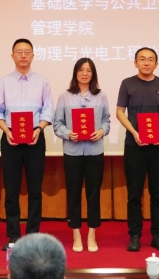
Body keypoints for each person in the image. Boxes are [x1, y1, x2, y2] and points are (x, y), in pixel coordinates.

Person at [0, 39, 54, 251]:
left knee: (35, 190)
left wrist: (39, 129)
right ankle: (14, 236)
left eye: (27, 51)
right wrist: (7, 131)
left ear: (33, 55)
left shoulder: (42, 81)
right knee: (11, 190)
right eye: (19, 52)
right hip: (10, 138)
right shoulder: (4, 82)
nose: (23, 55)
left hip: (35, 137)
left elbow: (48, 110)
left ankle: (33, 235)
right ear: (12, 56)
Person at [116, 47, 159, 252]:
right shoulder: (127, 83)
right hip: (135, 145)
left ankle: (157, 235)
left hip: (158, 146)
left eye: (150, 60)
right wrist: (133, 132)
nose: (146, 63)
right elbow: (120, 112)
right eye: (142, 59)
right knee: (134, 193)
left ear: (156, 64)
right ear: (135, 63)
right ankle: (135, 235)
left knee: (157, 193)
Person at [53, 58, 110, 253]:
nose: (85, 73)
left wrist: (101, 131)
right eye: (81, 70)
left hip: (95, 151)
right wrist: (68, 133)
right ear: (75, 73)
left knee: (93, 194)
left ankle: (92, 234)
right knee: (73, 193)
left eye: (88, 70)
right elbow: (57, 124)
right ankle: (76, 234)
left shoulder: (101, 96)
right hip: (73, 152)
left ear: (93, 74)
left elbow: (106, 121)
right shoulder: (65, 97)